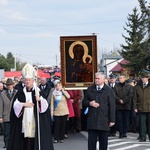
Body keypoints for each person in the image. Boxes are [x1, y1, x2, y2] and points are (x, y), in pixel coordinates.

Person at [7, 63, 54, 150]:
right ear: (24, 81)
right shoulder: (20, 93)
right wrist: (24, 105)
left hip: (35, 122)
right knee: (24, 142)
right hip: (23, 123)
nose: (28, 82)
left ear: (33, 80)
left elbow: (45, 106)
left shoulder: (38, 92)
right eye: (26, 80)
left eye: (29, 80)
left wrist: (39, 100)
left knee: (35, 140)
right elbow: (15, 106)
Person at [83, 72, 116, 150]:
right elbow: (84, 101)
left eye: (98, 78)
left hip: (104, 119)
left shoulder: (109, 90)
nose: (96, 80)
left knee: (103, 142)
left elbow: (112, 106)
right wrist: (90, 103)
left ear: (104, 80)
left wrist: (112, 120)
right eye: (96, 78)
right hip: (92, 119)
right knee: (91, 142)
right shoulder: (90, 89)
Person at [113, 74, 133, 138]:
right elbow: (114, 95)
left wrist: (124, 101)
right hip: (118, 106)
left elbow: (130, 95)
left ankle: (124, 132)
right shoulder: (116, 86)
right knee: (119, 120)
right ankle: (121, 133)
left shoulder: (129, 86)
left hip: (126, 105)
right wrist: (119, 100)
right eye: (119, 78)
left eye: (121, 78)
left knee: (126, 120)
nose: (120, 79)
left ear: (124, 79)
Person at [0, 78, 18, 148]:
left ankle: (14, 144)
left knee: (14, 131)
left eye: (10, 85)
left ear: (13, 85)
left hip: (15, 115)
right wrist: (0, 116)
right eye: (8, 85)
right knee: (6, 132)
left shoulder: (17, 92)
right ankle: (7, 144)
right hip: (6, 115)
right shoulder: (2, 94)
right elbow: (0, 105)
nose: (9, 86)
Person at [133, 71, 150, 142]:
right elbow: (134, 98)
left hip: (149, 108)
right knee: (142, 124)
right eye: (142, 78)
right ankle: (143, 137)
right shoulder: (138, 87)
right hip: (141, 107)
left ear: (148, 78)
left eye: (145, 77)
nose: (143, 79)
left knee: (149, 124)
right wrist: (135, 107)